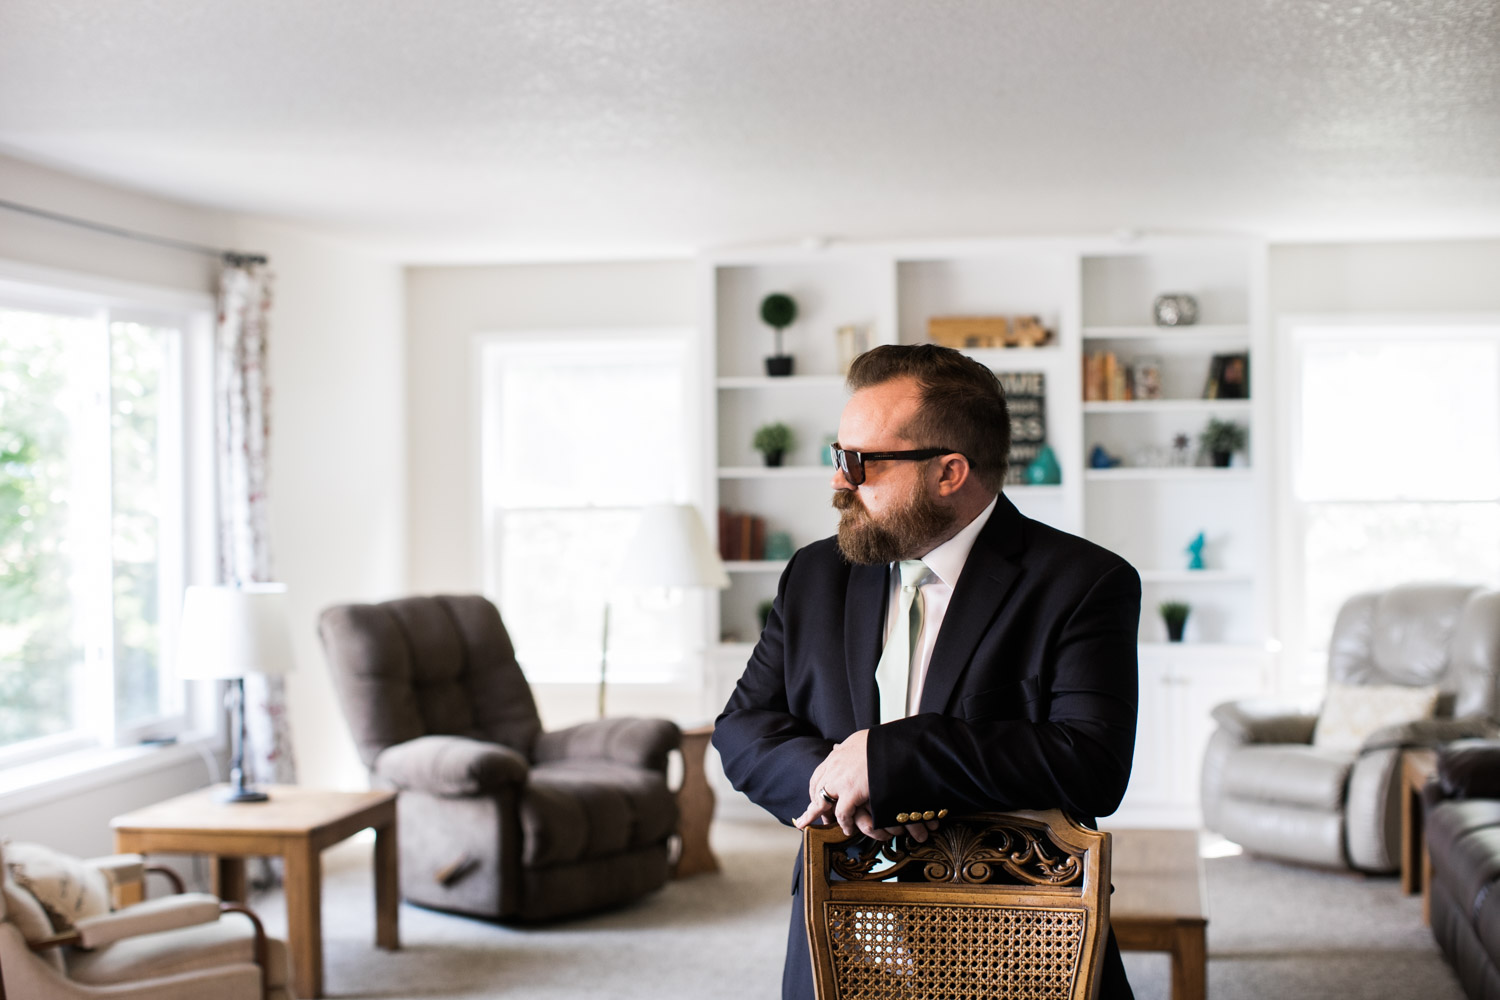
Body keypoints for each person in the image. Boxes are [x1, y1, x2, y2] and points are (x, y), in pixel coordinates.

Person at [713, 343, 1140, 999]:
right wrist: (840, 790)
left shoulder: (1084, 583)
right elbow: (744, 727)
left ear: (949, 472)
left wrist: (891, 761)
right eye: (837, 456)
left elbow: (1091, 761)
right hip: (833, 930)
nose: (838, 482)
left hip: (1015, 940)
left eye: (860, 462)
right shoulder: (815, 575)